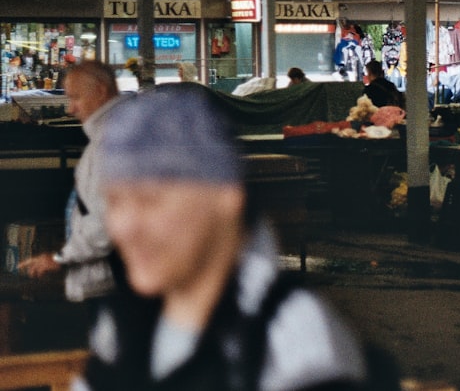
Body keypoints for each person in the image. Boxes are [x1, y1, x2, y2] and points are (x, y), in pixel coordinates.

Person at [77, 83, 375, 390]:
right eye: (114, 202)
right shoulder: (128, 321)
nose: (125, 227)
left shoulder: (292, 342)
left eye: (150, 201)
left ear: (225, 198)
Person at [19, 61, 121, 304]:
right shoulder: (109, 138)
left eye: (76, 98)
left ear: (100, 91)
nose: (70, 109)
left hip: (116, 282)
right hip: (111, 279)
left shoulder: (114, 143)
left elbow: (104, 221)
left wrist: (59, 258)